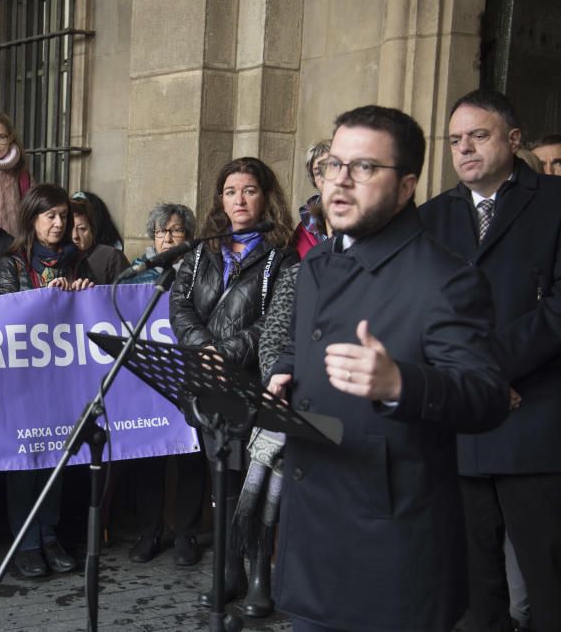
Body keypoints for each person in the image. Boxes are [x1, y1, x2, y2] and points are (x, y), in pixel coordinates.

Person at [267, 104, 510, 632]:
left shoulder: (446, 279)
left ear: (406, 186)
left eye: (365, 168)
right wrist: (285, 373)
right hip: (312, 524)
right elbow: (300, 344)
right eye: (335, 164)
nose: (341, 181)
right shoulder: (315, 262)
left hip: (389, 542)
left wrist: (401, 383)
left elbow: (487, 395)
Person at [418, 89, 561, 632]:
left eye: (478, 135)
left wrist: (491, 369)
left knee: (546, 584)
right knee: (476, 589)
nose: (465, 149)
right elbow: (422, 317)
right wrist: (471, 381)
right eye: (455, 140)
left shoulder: (554, 201)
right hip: (460, 429)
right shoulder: (430, 218)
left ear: (514, 139)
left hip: (535, 421)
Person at [169, 157, 297, 610]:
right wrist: (204, 347)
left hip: (257, 383)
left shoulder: (283, 252)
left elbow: (276, 324)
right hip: (207, 383)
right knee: (221, 481)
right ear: (219, 199)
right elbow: (179, 304)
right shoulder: (202, 248)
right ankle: (228, 574)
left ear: (265, 196)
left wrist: (224, 353)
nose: (239, 200)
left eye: (248, 190)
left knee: (257, 482)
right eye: (230, 191)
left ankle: (261, 579)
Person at [0, 184, 92, 577]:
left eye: (64, 216)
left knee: (55, 459)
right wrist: (42, 299)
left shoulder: (77, 262)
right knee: (25, 463)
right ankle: (26, 542)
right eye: (50, 215)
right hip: (20, 382)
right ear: (33, 218)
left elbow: (94, 314)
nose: (59, 223)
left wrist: (84, 293)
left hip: (63, 380)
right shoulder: (11, 264)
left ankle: (49, 535)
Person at [122, 202, 208, 568]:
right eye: (161, 232)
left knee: (191, 456)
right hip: (150, 379)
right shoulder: (136, 275)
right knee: (150, 457)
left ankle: (185, 532)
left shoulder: (203, 271)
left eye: (175, 231)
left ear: (188, 237)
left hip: (190, 376)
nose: (167, 238)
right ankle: (149, 531)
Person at [70, 198, 129, 284]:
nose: (75, 236)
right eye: (69, 229)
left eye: (82, 229)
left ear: (92, 230)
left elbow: (127, 293)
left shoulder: (111, 257)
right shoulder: (59, 259)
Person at [292, 140, 331, 258]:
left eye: (331, 167)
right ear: (313, 179)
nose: (325, 176)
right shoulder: (305, 227)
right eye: (318, 172)